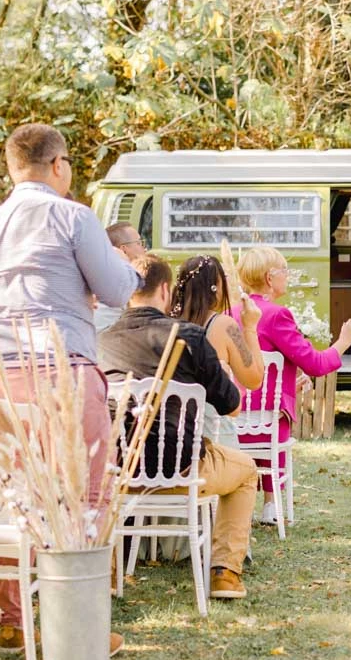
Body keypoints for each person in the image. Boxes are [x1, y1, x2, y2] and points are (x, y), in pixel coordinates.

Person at [0, 124, 137, 657]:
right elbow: (118, 289)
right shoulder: (73, 216)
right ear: (58, 165)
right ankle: (79, 622)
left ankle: (15, 620)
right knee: (85, 492)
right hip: (62, 367)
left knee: (16, 494)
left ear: (13, 167)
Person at [99, 254, 258, 600]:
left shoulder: (102, 342)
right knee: (247, 471)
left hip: (119, 472)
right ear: (166, 290)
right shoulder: (189, 337)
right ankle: (225, 574)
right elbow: (231, 406)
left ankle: (108, 573)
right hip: (183, 469)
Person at [235, 245, 351, 519]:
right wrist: (344, 342)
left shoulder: (231, 312)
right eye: (285, 271)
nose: (288, 276)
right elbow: (314, 363)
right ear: (269, 278)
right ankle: (271, 506)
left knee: (271, 411)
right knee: (275, 416)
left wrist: (286, 384)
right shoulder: (277, 315)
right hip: (266, 425)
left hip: (231, 421)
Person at [171, 255, 263, 451]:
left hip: (173, 438)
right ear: (216, 287)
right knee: (248, 473)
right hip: (214, 438)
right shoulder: (223, 325)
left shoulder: (166, 322)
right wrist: (250, 327)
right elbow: (254, 379)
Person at [94, 222, 146, 332]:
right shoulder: (125, 277)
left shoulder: (98, 271)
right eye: (139, 243)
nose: (144, 248)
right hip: (109, 342)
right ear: (123, 250)